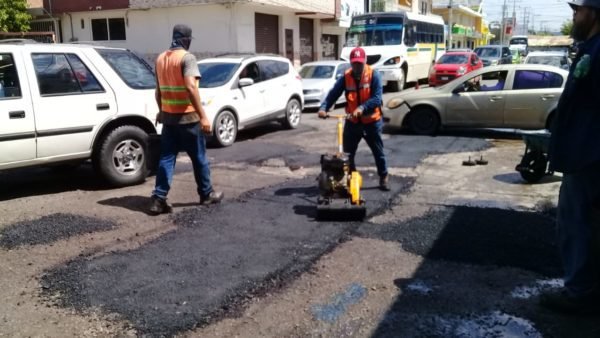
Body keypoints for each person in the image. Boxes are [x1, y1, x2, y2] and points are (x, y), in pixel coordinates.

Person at [541, 0, 600, 314]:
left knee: (575, 223)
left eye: (578, 10)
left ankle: (579, 292)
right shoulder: (590, 47)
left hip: (588, 158)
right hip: (584, 156)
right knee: (582, 223)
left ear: (593, 12)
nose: (574, 15)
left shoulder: (598, 50)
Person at [150, 24, 223, 215]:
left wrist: (161, 111)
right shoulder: (187, 58)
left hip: (169, 120)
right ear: (186, 40)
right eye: (189, 40)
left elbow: (158, 92)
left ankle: (158, 200)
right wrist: (203, 116)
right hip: (188, 119)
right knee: (199, 158)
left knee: (167, 158)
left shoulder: (160, 58)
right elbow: (191, 88)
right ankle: (206, 194)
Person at [318, 47, 390, 191]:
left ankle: (383, 176)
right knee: (347, 154)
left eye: (360, 63)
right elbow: (333, 94)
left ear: (365, 62)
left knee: (378, 153)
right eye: (354, 63)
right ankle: (352, 178)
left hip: (371, 122)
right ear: (351, 63)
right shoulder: (346, 76)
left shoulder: (374, 75)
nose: (357, 66)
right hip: (353, 122)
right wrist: (324, 108)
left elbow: (377, 98)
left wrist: (362, 108)